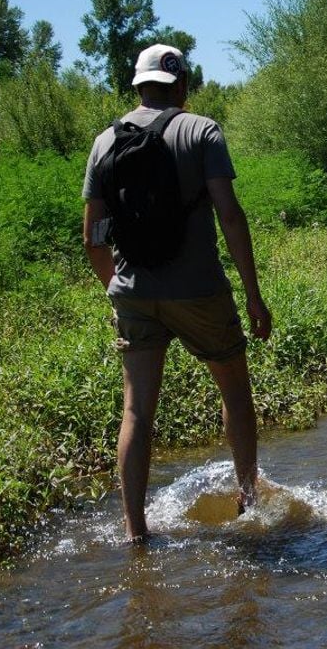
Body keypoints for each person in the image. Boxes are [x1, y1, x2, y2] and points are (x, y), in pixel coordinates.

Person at [82, 44, 272, 542]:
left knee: (137, 409)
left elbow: (93, 237)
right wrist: (253, 293)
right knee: (234, 387)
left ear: (137, 84)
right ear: (182, 84)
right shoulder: (202, 130)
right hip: (198, 290)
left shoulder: (105, 142)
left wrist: (116, 291)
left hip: (132, 290)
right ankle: (248, 500)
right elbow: (229, 215)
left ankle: (135, 531)